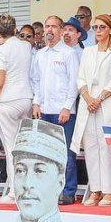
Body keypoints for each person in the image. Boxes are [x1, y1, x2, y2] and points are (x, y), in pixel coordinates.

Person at [72, 14, 111, 206]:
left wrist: (99, 98)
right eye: (95, 27)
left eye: (102, 27)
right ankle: (96, 189)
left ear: (110, 29)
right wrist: (87, 97)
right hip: (88, 102)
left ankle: (110, 191)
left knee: (107, 145)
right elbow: (81, 76)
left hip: (107, 102)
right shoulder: (88, 51)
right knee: (91, 146)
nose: (98, 31)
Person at [32, 16, 82, 205]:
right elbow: (36, 81)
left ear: (61, 31)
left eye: (54, 26)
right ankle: (50, 191)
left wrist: (67, 107)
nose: (49, 30)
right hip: (45, 110)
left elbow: (74, 83)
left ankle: (68, 191)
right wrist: (36, 103)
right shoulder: (40, 54)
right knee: (46, 154)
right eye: (47, 26)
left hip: (63, 111)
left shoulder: (68, 54)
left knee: (66, 153)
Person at [0, 14, 35, 205]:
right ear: (15, 29)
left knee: (11, 150)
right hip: (26, 98)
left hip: (8, 101)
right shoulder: (25, 45)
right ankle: (28, 190)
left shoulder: (0, 50)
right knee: (25, 149)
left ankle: (16, 193)